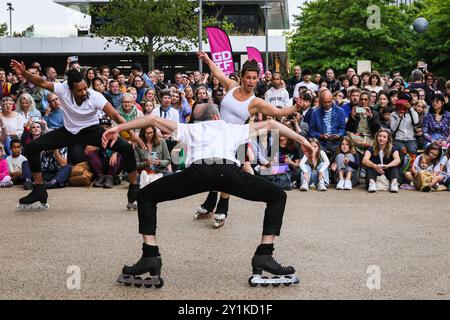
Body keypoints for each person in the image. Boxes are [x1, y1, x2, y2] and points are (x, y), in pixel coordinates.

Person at [102, 103, 313, 287]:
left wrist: (117, 128)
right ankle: (265, 254)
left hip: (199, 173)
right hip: (229, 172)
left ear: (200, 119)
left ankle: (150, 257)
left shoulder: (191, 128)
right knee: (277, 196)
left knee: (146, 196)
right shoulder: (232, 128)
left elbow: (152, 119)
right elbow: (271, 125)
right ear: (216, 116)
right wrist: (301, 140)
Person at [10, 59, 142, 211]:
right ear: (70, 89)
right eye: (79, 90)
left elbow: (116, 116)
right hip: (69, 131)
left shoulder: (95, 96)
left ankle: (134, 189)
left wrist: (132, 133)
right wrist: (24, 73)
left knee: (126, 148)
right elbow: (41, 82)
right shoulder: (62, 89)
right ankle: (39, 190)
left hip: (92, 131)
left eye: (85, 88)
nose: (84, 92)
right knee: (33, 147)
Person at [195, 51, 304, 227]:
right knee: (213, 170)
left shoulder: (256, 102)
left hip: (237, 140)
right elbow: (217, 73)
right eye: (248, 77)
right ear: (241, 78)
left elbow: (277, 112)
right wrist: (207, 60)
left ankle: (222, 206)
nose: (251, 81)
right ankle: (210, 201)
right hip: (219, 136)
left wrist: (294, 108)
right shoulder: (231, 87)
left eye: (254, 78)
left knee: (226, 174)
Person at [362, 128, 401, 193]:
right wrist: (375, 166)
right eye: (379, 136)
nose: (381, 138)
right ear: (377, 137)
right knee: (370, 166)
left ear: (387, 139)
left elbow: (397, 160)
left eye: (384, 137)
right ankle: (372, 183)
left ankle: (394, 183)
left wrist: (388, 165)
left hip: (388, 171)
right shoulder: (371, 148)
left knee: (394, 166)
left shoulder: (392, 148)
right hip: (375, 172)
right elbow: (364, 160)